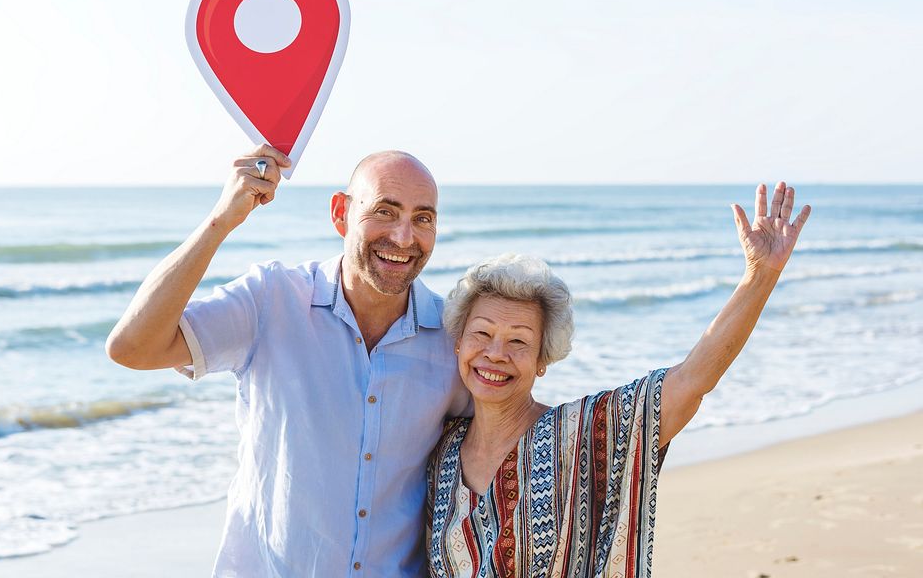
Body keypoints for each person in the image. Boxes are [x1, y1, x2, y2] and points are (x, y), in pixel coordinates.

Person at [106, 145, 469, 578]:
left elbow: (502, 447)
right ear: (340, 214)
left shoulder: (454, 339)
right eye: (385, 212)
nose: (404, 238)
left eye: (423, 218)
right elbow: (133, 346)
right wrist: (222, 220)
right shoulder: (270, 299)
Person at [427, 182, 811, 577]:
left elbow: (691, 380)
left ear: (543, 360)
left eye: (518, 341)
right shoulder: (440, 453)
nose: (496, 353)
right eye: (482, 333)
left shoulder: (583, 436)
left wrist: (760, 276)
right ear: (458, 343)